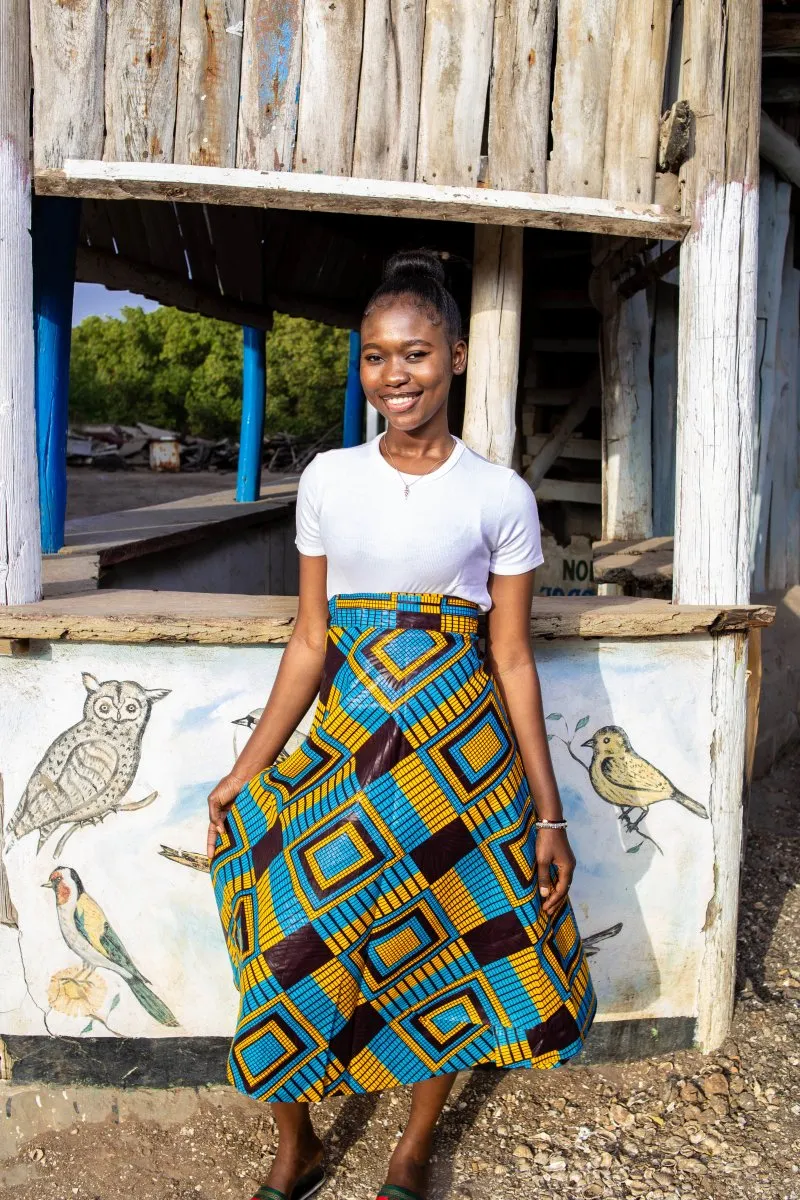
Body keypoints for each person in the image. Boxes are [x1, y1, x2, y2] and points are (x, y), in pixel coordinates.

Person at [207, 250, 596, 1200]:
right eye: (376, 357)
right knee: (285, 938)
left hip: (455, 768)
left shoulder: (499, 494)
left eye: (415, 354)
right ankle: (295, 1143)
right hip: (348, 752)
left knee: (447, 947)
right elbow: (310, 641)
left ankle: (412, 1152)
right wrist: (246, 771)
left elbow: (510, 656)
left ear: (455, 357)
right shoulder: (329, 481)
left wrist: (548, 813)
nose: (395, 377)